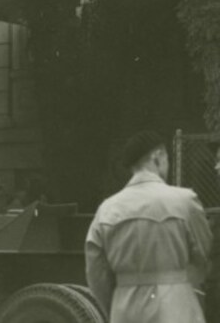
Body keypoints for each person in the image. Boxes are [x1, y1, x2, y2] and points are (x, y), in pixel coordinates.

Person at [85, 130, 213, 322]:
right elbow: (204, 253)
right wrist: (183, 282)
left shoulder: (106, 209)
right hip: (177, 306)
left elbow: (96, 272)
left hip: (126, 308)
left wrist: (117, 303)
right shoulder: (185, 201)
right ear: (158, 158)